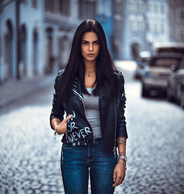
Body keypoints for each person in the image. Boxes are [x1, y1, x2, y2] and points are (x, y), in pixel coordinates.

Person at [50, 19, 128, 194]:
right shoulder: (63, 78)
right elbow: (55, 113)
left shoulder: (115, 79)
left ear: (102, 45)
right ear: (78, 45)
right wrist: (58, 127)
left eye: (95, 43)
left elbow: (120, 120)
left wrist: (121, 159)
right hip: (73, 151)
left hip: (105, 152)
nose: (91, 48)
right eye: (86, 43)